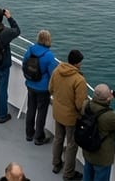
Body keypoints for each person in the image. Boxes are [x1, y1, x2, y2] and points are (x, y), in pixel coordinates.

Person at [48, 49, 87, 181]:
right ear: (77, 63)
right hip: (71, 117)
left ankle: (56, 164)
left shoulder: (57, 70)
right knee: (71, 145)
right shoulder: (79, 80)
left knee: (58, 138)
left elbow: (50, 89)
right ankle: (68, 173)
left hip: (57, 112)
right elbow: (80, 104)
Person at [80, 84, 115, 181]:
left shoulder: (85, 105)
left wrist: (106, 98)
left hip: (88, 150)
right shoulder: (109, 116)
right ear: (108, 98)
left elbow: (97, 105)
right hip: (102, 157)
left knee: (87, 176)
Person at [22, 29, 58, 145]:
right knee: (41, 112)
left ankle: (29, 134)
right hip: (42, 89)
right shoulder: (49, 55)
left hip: (30, 85)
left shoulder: (30, 50)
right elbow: (54, 74)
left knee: (31, 109)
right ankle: (38, 137)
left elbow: (24, 64)